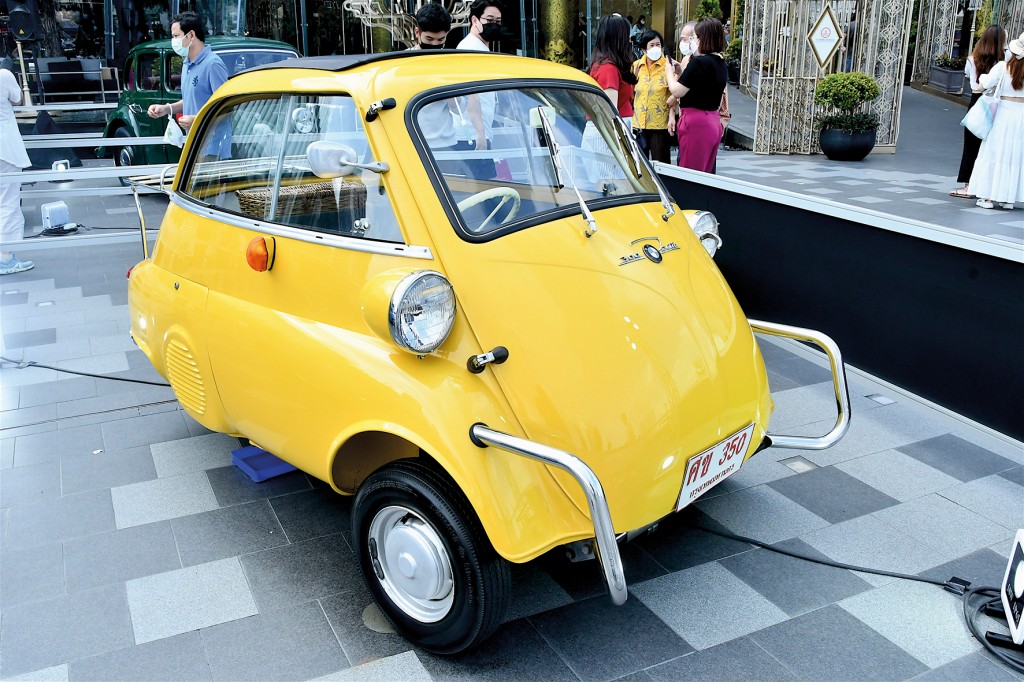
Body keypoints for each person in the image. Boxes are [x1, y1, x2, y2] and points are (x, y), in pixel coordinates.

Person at [968, 30, 1024, 210]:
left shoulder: (1002, 67)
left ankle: (988, 197)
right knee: (1014, 155)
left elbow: (982, 86)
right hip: (1021, 115)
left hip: (1003, 114)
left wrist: (983, 77)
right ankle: (1007, 199)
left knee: (994, 152)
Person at [147, 11, 228, 132]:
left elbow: (227, 108)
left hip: (213, 144)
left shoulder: (213, 64)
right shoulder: (187, 64)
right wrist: (167, 108)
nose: (173, 41)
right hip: (194, 142)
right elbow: (192, 101)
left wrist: (197, 120)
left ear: (191, 35)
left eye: (176, 36)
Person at [951, 25, 1007, 199]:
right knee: (992, 145)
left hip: (978, 101)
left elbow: (973, 84)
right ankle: (990, 185)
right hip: (1000, 103)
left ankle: (969, 184)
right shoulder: (1006, 60)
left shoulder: (972, 59)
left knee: (971, 143)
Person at [666, 18, 728, 172]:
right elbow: (698, 85)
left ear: (704, 39)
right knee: (705, 174)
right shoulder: (720, 62)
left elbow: (676, 91)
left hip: (696, 124)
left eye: (696, 37)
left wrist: (668, 72)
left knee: (690, 175)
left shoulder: (699, 63)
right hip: (712, 120)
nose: (693, 41)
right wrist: (681, 72)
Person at [457, 0, 502, 171]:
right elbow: (471, 95)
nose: (494, 25)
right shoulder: (470, 49)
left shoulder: (480, 48)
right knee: (484, 188)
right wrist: (480, 133)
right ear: (475, 20)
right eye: (489, 20)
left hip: (478, 132)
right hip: (472, 135)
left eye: (497, 22)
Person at [0, 58, 33, 275]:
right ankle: (5, 258)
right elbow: (18, 100)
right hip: (5, 150)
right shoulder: (4, 75)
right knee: (7, 202)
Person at [632, 29, 675, 164]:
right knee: (640, 164)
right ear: (644, 49)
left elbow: (674, 93)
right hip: (639, 123)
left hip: (660, 124)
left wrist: (672, 117)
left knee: (661, 163)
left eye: (658, 45)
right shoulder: (636, 66)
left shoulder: (669, 66)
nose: (655, 48)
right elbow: (632, 92)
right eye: (652, 45)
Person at [588, 14, 638, 124]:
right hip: (609, 134)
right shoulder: (608, 69)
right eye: (627, 36)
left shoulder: (610, 66)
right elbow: (609, 115)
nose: (629, 40)